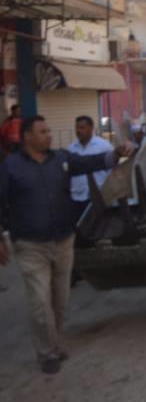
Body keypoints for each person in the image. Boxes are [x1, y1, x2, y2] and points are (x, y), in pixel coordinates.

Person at [0, 116, 131, 374]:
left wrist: (116, 153)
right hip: (30, 245)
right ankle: (47, 352)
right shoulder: (10, 167)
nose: (49, 135)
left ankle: (54, 342)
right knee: (40, 302)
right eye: (43, 131)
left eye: (49, 130)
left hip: (63, 241)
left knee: (59, 300)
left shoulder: (62, 158)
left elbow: (91, 163)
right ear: (27, 137)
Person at [67, 116, 114, 217]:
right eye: (77, 128)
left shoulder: (104, 146)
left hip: (99, 198)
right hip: (77, 199)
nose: (78, 131)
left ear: (91, 128)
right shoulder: (71, 149)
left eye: (82, 127)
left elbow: (112, 173)